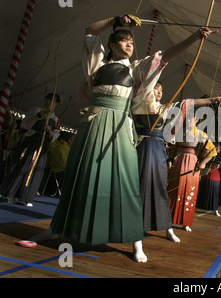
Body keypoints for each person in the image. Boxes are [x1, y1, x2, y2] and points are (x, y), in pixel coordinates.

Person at [27, 14, 170, 263]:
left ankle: (136, 241)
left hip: (120, 128)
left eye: (131, 42)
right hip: (94, 124)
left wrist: (196, 37)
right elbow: (89, 30)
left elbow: (166, 57)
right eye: (124, 40)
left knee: (125, 181)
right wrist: (116, 18)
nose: (129, 44)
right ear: (112, 43)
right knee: (80, 174)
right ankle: (55, 229)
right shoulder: (97, 64)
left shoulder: (134, 69)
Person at [132, 81, 221, 242]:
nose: (159, 92)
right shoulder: (137, 104)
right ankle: (132, 225)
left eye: (161, 90)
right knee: (140, 187)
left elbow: (187, 103)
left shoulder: (165, 109)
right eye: (155, 88)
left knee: (162, 189)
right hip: (146, 148)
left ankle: (170, 226)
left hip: (166, 152)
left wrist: (211, 100)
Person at [0, 93, 61, 206]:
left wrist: (49, 130)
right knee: (21, 164)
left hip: (41, 145)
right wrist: (38, 116)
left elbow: (55, 135)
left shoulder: (55, 119)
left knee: (35, 169)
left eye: (53, 101)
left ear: (57, 104)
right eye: (48, 100)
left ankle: (26, 197)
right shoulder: (36, 110)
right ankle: (9, 193)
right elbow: (25, 124)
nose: (49, 103)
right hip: (30, 140)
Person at [167, 115, 218, 232]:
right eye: (187, 118)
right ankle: (168, 220)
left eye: (192, 118)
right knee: (174, 189)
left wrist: (203, 163)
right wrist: (170, 160)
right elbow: (173, 149)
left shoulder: (201, 134)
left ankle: (186, 221)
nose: (189, 120)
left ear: (197, 120)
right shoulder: (179, 132)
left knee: (190, 191)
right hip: (178, 161)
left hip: (192, 162)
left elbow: (212, 151)